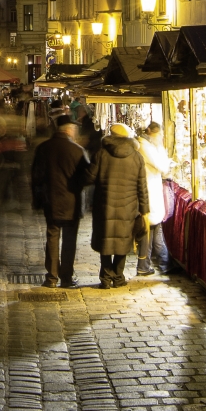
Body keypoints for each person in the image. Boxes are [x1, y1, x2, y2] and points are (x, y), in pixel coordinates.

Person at [30, 115, 89, 287]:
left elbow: (36, 177)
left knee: (52, 236)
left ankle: (52, 276)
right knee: (69, 240)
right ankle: (67, 277)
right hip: (72, 202)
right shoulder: (77, 151)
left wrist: (38, 200)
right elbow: (86, 177)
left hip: (51, 201)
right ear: (69, 130)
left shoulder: (43, 148)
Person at [89, 122, 147, 288]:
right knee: (123, 240)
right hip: (128, 207)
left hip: (104, 205)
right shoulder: (137, 157)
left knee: (106, 240)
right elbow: (142, 186)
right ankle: (118, 276)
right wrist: (144, 210)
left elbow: (90, 177)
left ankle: (106, 278)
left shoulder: (101, 154)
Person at [135, 122, 173, 275]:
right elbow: (162, 167)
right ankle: (144, 265)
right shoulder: (145, 146)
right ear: (153, 133)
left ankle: (163, 262)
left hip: (152, 192)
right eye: (160, 135)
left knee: (155, 228)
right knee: (149, 229)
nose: (162, 137)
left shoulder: (148, 145)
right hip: (149, 192)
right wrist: (162, 149)